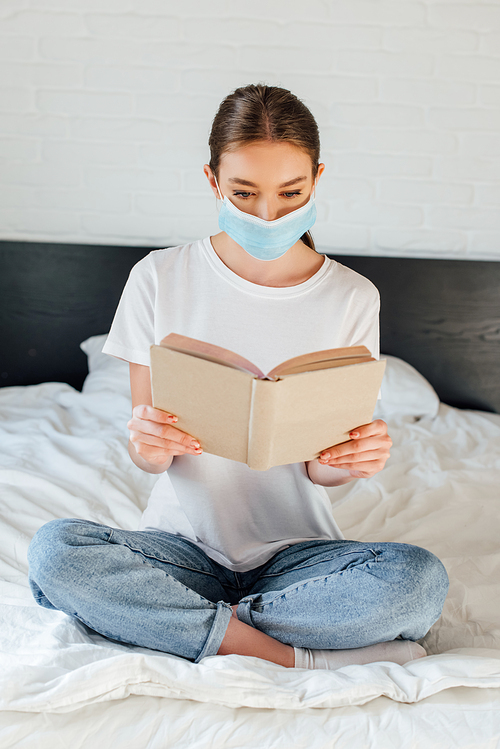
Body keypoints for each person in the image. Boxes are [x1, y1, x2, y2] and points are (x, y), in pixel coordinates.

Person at [27, 84, 449, 671]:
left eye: (289, 192)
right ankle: (291, 655)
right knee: (56, 554)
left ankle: (179, 624)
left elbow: (320, 469)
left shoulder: (351, 296)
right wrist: (146, 442)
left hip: (298, 555)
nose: (267, 214)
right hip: (181, 549)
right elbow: (152, 456)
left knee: (417, 582)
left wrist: (353, 457)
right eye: (244, 193)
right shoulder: (159, 276)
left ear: (317, 179)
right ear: (212, 181)